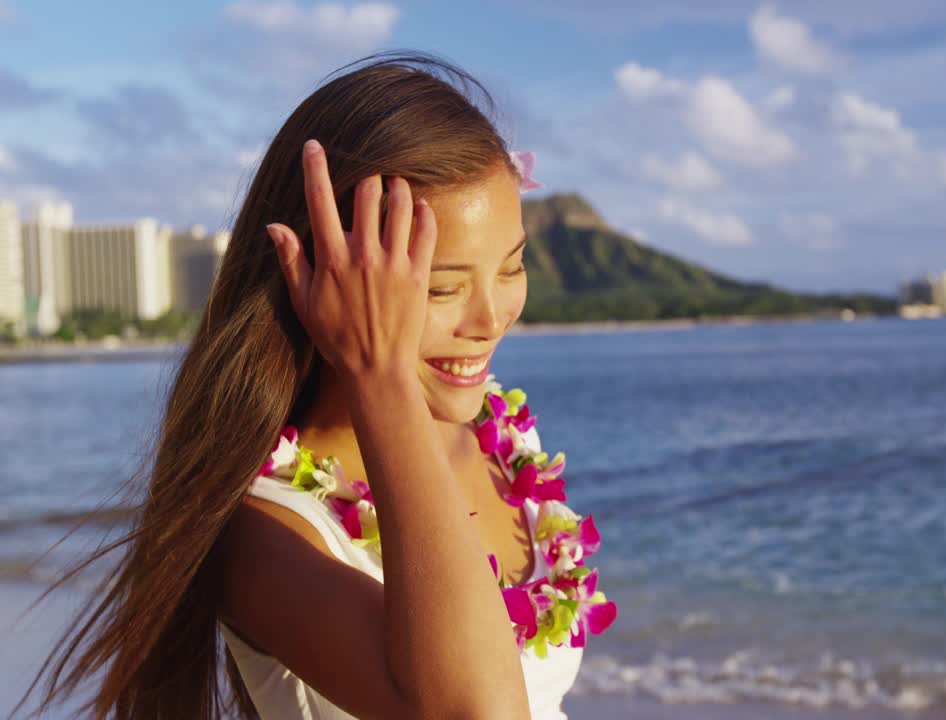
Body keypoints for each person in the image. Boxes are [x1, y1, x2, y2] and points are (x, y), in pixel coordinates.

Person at [18, 52, 611, 719]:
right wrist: (379, 376)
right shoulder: (267, 532)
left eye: (511, 268)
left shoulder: (499, 436)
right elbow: (477, 709)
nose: (490, 318)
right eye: (441, 287)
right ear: (321, 283)